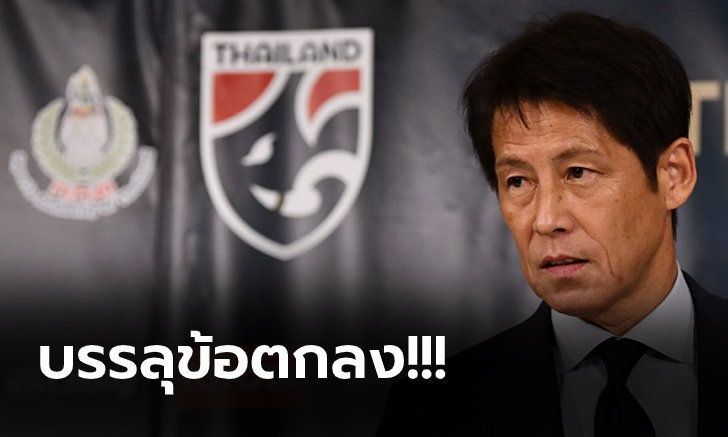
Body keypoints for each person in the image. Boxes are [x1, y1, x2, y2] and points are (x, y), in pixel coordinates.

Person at [378, 11, 728, 437]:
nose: (546, 220)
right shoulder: (433, 412)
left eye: (578, 172)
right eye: (518, 181)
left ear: (674, 175)